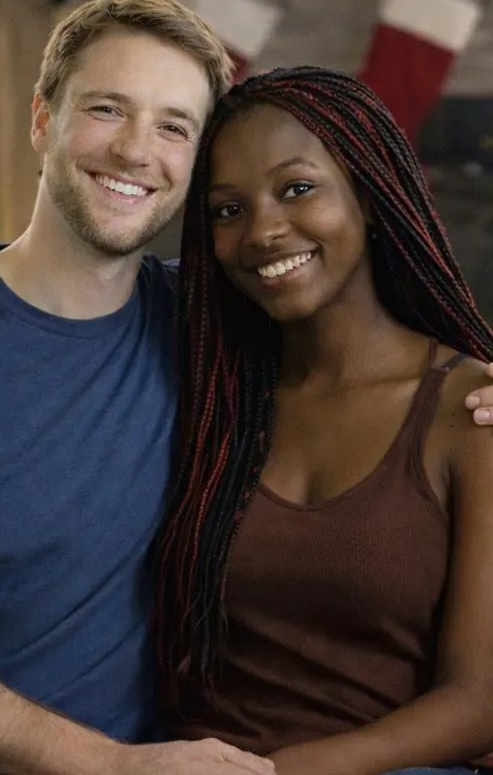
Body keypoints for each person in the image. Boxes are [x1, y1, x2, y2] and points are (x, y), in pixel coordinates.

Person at [0, 0, 493, 775]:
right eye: (106, 108)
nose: (133, 149)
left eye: (172, 125)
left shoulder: (210, 331)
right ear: (40, 118)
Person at [155, 66, 493, 775]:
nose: (263, 230)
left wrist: (278, 774)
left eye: (297, 188)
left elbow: (478, 700)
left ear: (368, 198)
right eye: (226, 209)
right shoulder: (217, 398)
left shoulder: (468, 415)